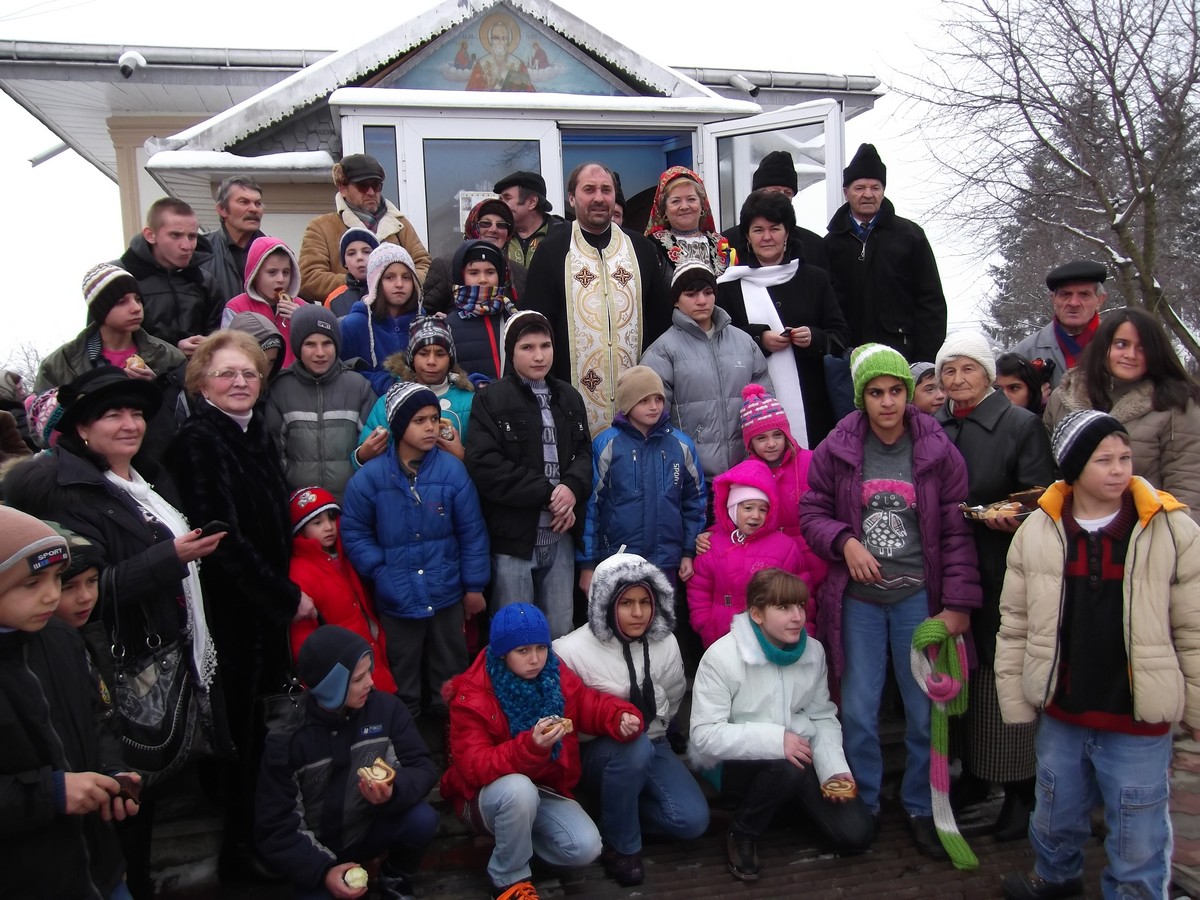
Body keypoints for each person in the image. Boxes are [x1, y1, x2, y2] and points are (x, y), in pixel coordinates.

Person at [2, 367, 223, 897]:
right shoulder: (64, 491)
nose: (130, 424)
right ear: (82, 427)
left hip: (167, 647)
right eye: (113, 415)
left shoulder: (145, 479)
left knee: (133, 792)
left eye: (137, 413)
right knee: (123, 803)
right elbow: (78, 594)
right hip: (121, 661)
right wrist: (167, 559)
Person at [996, 411, 1200, 900]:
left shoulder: (1171, 528)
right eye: (1103, 460)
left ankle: (1136, 893)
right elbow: (1016, 621)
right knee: (1055, 805)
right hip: (1063, 708)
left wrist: (1195, 707)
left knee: (1138, 824)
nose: (1119, 469)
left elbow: (1193, 627)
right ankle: (1056, 874)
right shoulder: (1038, 531)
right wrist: (1017, 697)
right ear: (1073, 468)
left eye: (1124, 457)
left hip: (1136, 714)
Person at [800, 343, 981, 860]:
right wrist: (844, 541)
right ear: (862, 397)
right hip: (858, 600)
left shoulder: (937, 450)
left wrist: (958, 605)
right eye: (876, 392)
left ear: (908, 393)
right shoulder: (838, 446)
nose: (887, 402)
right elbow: (811, 511)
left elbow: (956, 533)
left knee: (924, 710)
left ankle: (921, 805)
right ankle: (868, 802)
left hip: (917, 598)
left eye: (896, 391)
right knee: (858, 708)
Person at [164, 330, 314, 882]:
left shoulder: (252, 432)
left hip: (260, 613)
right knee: (241, 736)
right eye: (226, 372)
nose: (240, 381)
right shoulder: (200, 440)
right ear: (202, 381)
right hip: (230, 614)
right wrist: (285, 597)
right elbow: (219, 535)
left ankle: (262, 834)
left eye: (249, 372)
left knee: (261, 730)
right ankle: (240, 850)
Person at [933, 330, 1054, 840]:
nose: (959, 379)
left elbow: (1042, 495)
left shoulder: (1019, 424)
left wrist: (1015, 516)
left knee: (1002, 679)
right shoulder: (934, 426)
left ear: (987, 374)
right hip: (949, 570)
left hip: (1004, 568)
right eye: (949, 370)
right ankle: (976, 777)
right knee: (961, 674)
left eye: (969, 368)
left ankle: (1022, 791)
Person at [439, 603, 643, 900]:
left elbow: (588, 703)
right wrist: (530, 747)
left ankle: (516, 844)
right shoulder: (472, 693)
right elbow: (474, 766)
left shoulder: (554, 673)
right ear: (502, 652)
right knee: (519, 789)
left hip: (545, 787)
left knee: (586, 847)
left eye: (541, 648)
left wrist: (620, 716)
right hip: (485, 795)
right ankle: (508, 880)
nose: (535, 659)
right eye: (523, 651)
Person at [689, 568, 874, 881]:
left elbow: (821, 716)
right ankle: (742, 831)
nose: (797, 617)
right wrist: (776, 740)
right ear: (757, 614)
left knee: (856, 834)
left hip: (796, 757)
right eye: (784, 607)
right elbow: (704, 735)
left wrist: (833, 770)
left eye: (800, 605)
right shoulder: (721, 657)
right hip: (736, 765)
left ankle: (781, 807)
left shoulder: (813, 652)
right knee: (787, 766)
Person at [0, 508, 144, 900]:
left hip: (101, 869)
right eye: (32, 583)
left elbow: (96, 720)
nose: (52, 594)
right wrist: (52, 793)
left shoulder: (62, 639)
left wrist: (111, 772)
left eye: (56, 578)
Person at [553, 552, 710, 887]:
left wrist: (656, 725)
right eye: (626, 603)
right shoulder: (569, 651)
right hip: (597, 751)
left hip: (653, 741)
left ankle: (614, 814)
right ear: (605, 603)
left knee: (692, 820)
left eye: (645, 602)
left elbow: (673, 696)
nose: (638, 613)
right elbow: (566, 722)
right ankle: (621, 846)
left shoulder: (666, 642)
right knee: (633, 748)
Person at [256, 625, 439, 900]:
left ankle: (394, 876)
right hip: (316, 851)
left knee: (423, 819)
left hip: (369, 829)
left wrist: (393, 790)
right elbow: (276, 827)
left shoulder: (387, 710)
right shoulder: (289, 739)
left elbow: (422, 767)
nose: (371, 683)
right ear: (331, 686)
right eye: (358, 678)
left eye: (369, 672)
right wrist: (324, 871)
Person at [341, 381, 489, 718]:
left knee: (450, 673)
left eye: (434, 419)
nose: (430, 427)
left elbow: (472, 533)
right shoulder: (371, 478)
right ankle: (404, 734)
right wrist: (380, 570)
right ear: (398, 426)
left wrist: (474, 586)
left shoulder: (453, 472)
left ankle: (453, 733)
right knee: (401, 673)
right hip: (396, 596)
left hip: (446, 592)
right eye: (419, 420)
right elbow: (355, 532)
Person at [465, 311, 592, 638]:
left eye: (545, 346)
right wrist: (548, 493)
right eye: (527, 347)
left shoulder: (569, 397)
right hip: (514, 542)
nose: (539, 356)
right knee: (516, 633)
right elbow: (485, 465)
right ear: (512, 352)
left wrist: (572, 487)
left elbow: (583, 452)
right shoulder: (490, 399)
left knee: (560, 631)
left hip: (561, 538)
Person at [523, 162, 671, 436]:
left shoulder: (641, 249)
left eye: (606, 190)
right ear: (571, 198)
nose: (599, 198)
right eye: (589, 190)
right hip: (568, 407)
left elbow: (661, 324)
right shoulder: (551, 251)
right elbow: (535, 328)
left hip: (640, 407)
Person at [718, 189, 850, 447]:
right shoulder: (729, 285)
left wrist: (814, 338)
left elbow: (841, 335)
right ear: (747, 236)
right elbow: (720, 340)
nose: (767, 237)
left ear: (787, 233)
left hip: (812, 408)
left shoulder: (815, 279)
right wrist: (759, 338)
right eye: (758, 230)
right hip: (750, 408)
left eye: (775, 228)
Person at [1044, 306, 1200, 524]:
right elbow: (1047, 472)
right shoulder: (1063, 397)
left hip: (1147, 529)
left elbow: (1188, 482)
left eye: (1142, 348)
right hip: (1072, 529)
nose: (1131, 355)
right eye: (1121, 344)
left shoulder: (1176, 404)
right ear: (1103, 345)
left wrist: (1178, 536)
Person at [34, 263, 187, 463]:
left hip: (159, 464)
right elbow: (40, 432)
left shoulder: (168, 356)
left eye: (137, 299)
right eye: (121, 302)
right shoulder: (60, 363)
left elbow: (188, 415)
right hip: (88, 468)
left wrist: (157, 385)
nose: (136, 308)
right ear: (100, 310)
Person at [577, 366, 706, 594]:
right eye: (644, 400)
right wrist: (588, 563)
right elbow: (591, 508)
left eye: (658, 399)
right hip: (617, 559)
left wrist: (688, 552)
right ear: (628, 404)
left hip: (666, 560)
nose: (654, 406)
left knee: (661, 615)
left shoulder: (681, 445)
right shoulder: (607, 445)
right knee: (621, 613)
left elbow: (694, 502)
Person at [640, 261, 771, 480]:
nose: (702, 301)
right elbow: (651, 418)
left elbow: (765, 404)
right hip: (691, 476)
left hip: (745, 472)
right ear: (676, 300)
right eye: (691, 294)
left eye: (708, 292)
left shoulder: (744, 342)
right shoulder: (662, 351)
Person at [824, 143, 947, 363]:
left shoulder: (910, 236)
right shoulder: (830, 244)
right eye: (859, 188)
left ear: (883, 191)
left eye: (875, 187)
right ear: (846, 192)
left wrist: (925, 361)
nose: (868, 194)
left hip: (903, 354)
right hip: (850, 357)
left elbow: (931, 302)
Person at [689, 457, 807, 649]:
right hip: (721, 637)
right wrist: (705, 625)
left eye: (763, 509)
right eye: (748, 508)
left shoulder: (785, 547)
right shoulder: (711, 544)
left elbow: (801, 592)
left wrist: (801, 634)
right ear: (733, 509)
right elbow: (699, 589)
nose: (756, 515)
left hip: (772, 637)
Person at [287, 487, 396, 694]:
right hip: (340, 672)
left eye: (331, 518)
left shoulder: (346, 557)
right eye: (317, 523)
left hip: (367, 657)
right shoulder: (299, 573)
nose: (329, 527)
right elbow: (303, 639)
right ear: (300, 530)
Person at [263, 305, 376, 499]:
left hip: (350, 502)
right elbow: (274, 453)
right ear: (298, 346)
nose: (320, 352)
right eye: (310, 344)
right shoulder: (281, 389)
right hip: (300, 504)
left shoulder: (357, 387)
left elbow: (372, 447)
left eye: (327, 343)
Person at [299, 154, 431, 302]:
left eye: (376, 185)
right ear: (342, 188)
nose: (371, 192)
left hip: (399, 313)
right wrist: (356, 284)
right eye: (362, 185)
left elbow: (425, 266)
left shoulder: (400, 224)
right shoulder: (321, 227)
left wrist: (400, 283)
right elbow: (309, 278)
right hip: (346, 313)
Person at [354, 317, 474, 470]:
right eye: (423, 353)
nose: (431, 361)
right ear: (412, 359)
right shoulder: (390, 401)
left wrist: (463, 456)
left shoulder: (469, 401)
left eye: (440, 354)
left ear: (450, 360)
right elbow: (365, 461)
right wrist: (362, 456)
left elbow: (484, 460)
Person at [116, 198, 224, 357]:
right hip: (136, 371)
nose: (187, 246)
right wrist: (174, 351)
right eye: (175, 235)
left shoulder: (205, 281)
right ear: (150, 235)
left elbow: (217, 332)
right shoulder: (119, 277)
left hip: (196, 370)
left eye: (192, 236)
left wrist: (208, 345)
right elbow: (106, 342)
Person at [720, 150, 830, 271]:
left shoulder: (814, 246)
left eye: (787, 193)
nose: (782, 197)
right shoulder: (726, 243)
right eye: (775, 192)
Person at [340, 244, 424, 395]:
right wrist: (383, 382)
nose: (399, 284)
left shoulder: (422, 321)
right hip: (370, 406)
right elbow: (342, 373)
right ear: (376, 282)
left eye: (406, 277)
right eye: (390, 277)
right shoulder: (354, 325)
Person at [1012, 260, 1108, 389]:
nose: (1074, 303)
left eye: (1084, 294)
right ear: (1053, 299)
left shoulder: (1119, 346)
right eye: (1065, 294)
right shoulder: (1025, 352)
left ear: (1100, 300)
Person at [422, 199, 529, 313]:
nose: (493, 229)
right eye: (485, 223)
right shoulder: (444, 266)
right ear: (472, 226)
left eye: (501, 225)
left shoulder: (519, 272)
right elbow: (427, 313)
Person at [436, 239, 517, 382]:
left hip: (511, 395)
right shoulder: (448, 326)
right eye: (473, 273)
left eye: (490, 272)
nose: (483, 279)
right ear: (461, 276)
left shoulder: (513, 318)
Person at [221, 236, 307, 369]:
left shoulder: (302, 308)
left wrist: (303, 321)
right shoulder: (236, 307)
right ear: (255, 274)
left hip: (294, 378)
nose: (281, 279)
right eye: (272, 272)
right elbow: (226, 353)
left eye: (286, 272)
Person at [643, 166, 732, 277]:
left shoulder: (719, 244)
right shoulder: (652, 246)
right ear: (664, 209)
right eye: (675, 201)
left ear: (702, 205)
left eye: (691, 199)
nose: (684, 207)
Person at [204, 176, 266, 304]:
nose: (254, 209)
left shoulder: (275, 252)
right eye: (244, 202)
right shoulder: (201, 250)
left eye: (258, 203)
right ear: (222, 209)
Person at [494, 170, 564, 268]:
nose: (501, 205)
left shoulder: (564, 235)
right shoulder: (497, 234)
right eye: (501, 199)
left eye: (507, 198)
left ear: (532, 202)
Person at [324, 227, 379, 318]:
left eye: (366, 252)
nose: (359, 257)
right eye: (351, 253)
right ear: (344, 262)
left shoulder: (390, 290)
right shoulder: (333, 299)